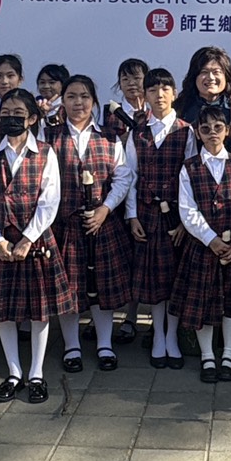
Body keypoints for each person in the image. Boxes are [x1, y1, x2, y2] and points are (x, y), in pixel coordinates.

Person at [0, 88, 76, 404]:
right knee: (4, 312)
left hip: (35, 242)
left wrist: (28, 238)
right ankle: (13, 373)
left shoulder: (46, 152)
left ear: (32, 118)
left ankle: (36, 374)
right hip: (0, 240)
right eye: (6, 113)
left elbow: (50, 200)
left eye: (18, 113)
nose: (11, 118)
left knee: (39, 311)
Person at [46, 75, 134, 373]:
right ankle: (71, 346)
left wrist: (105, 209)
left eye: (84, 96)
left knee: (101, 287)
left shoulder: (109, 136)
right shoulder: (50, 136)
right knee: (69, 288)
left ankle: (104, 344)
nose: (78, 102)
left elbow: (123, 177)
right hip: (65, 226)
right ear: (62, 101)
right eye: (71, 96)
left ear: (94, 101)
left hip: (102, 224)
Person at [171, 103, 231, 383]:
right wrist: (210, 239)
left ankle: (229, 354)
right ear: (198, 133)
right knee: (204, 304)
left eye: (218, 128)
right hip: (202, 247)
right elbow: (187, 210)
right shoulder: (189, 168)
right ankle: (207, 356)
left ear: (227, 131)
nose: (212, 133)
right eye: (205, 129)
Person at [125, 68, 195, 369]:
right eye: (152, 90)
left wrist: (185, 222)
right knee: (154, 280)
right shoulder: (137, 132)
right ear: (145, 95)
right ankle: (158, 337)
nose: (159, 95)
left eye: (165, 89)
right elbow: (130, 175)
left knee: (175, 279)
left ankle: (172, 337)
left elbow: (191, 178)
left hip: (177, 217)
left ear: (174, 93)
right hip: (147, 215)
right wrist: (132, 215)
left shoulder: (187, 131)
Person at [100, 57, 147, 346]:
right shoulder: (111, 114)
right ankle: (106, 318)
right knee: (120, 260)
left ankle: (132, 317)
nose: (131, 84)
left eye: (137, 78)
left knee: (141, 260)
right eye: (125, 79)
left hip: (146, 196)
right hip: (116, 195)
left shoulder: (156, 111)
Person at [176, 45, 231, 158]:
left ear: (226, 77)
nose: (211, 78)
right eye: (204, 72)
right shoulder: (181, 108)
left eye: (216, 72)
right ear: (194, 76)